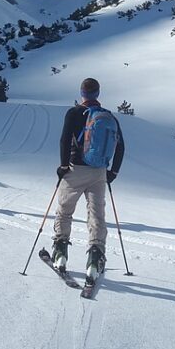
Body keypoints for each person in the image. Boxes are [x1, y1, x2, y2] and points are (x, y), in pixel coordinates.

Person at [51, 77, 125, 275]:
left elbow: (64, 140)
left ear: (81, 93)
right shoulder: (109, 117)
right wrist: (113, 172)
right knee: (96, 215)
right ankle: (95, 258)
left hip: (75, 170)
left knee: (65, 211)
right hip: (99, 172)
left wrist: (63, 165)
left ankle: (60, 252)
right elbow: (120, 147)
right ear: (98, 94)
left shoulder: (74, 113)